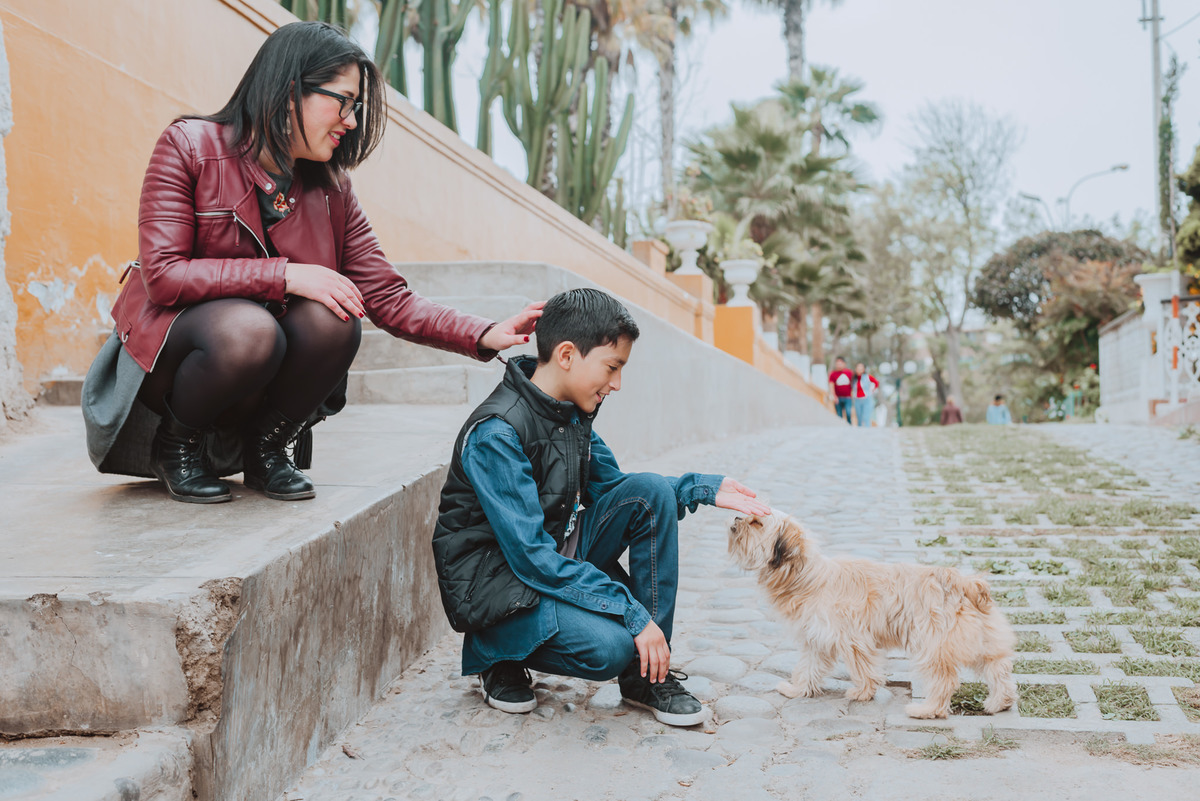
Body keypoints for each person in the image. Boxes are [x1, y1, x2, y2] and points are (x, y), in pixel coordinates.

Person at [82, 22, 539, 504]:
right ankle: (176, 445)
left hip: (258, 368)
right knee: (249, 329)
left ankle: (268, 449)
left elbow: (387, 296)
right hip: (176, 363)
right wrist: (286, 274)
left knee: (336, 319)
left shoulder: (332, 189)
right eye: (343, 100)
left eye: (356, 106)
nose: (352, 120)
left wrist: (483, 333)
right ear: (289, 89)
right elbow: (164, 276)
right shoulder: (190, 146)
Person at [431, 288, 771, 727]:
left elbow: (626, 491)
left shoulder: (570, 412)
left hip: (550, 557)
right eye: (612, 368)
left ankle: (646, 675)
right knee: (610, 646)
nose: (617, 384)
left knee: (653, 494)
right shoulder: (497, 433)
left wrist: (700, 488)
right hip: (497, 585)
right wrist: (630, 614)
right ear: (568, 355)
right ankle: (494, 650)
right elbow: (532, 559)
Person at [852, 362, 880, 428]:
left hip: (867, 399)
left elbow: (876, 382)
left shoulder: (867, 377)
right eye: (858, 368)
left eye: (861, 368)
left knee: (866, 417)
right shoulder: (854, 379)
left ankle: (867, 433)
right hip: (857, 400)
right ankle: (859, 433)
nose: (859, 369)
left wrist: (872, 390)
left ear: (864, 369)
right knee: (859, 417)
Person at [827, 356, 854, 424]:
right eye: (837, 364)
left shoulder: (849, 373)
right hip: (838, 398)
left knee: (848, 413)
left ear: (844, 364)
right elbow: (831, 385)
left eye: (840, 363)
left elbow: (854, 384)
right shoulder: (833, 374)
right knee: (839, 415)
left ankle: (849, 426)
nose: (839, 365)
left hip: (848, 397)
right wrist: (834, 396)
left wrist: (853, 394)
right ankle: (841, 429)